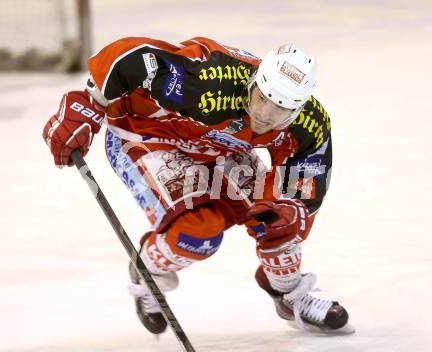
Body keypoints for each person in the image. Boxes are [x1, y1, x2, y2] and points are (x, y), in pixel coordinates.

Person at [42, 37, 352, 334]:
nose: (263, 115)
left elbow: (307, 172)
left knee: (280, 221)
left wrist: (293, 206)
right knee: (198, 233)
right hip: (148, 135)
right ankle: (150, 270)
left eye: (280, 110)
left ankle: (289, 292)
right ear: (254, 82)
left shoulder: (309, 124)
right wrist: (88, 103)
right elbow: (136, 56)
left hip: (218, 146)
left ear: (299, 107)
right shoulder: (207, 82)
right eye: (261, 99)